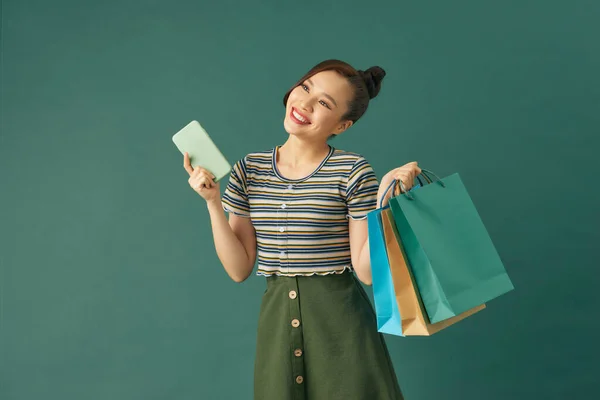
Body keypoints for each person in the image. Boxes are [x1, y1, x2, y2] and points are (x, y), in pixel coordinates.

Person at [183, 59, 421, 400]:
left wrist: (385, 200)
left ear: (342, 125)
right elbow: (238, 269)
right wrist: (211, 201)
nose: (305, 104)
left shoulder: (352, 171)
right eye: (306, 88)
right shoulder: (248, 171)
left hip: (343, 330)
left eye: (324, 103)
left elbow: (366, 272)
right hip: (278, 326)